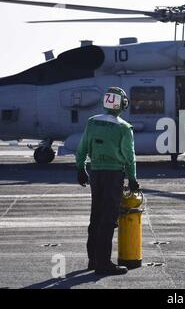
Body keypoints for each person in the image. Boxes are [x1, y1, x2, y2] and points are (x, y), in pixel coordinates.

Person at [76, 87, 140, 276]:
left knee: (95, 217)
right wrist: (133, 179)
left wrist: (81, 168)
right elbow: (129, 157)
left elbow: (82, 147)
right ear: (123, 104)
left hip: (95, 173)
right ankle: (104, 263)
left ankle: (93, 260)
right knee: (108, 219)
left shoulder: (92, 122)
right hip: (113, 176)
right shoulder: (124, 127)